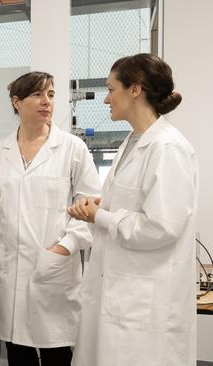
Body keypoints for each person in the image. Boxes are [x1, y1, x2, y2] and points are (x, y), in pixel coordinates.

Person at [0, 71, 101, 366]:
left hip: (53, 265)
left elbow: (90, 204)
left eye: (51, 95)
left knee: (56, 352)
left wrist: (65, 246)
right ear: (17, 102)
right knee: (18, 352)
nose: (47, 102)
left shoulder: (71, 148)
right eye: (38, 95)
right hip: (9, 267)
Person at [68, 53, 197, 366]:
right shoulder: (133, 141)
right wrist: (101, 206)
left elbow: (162, 227)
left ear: (135, 89)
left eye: (111, 89)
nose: (106, 99)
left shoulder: (167, 148)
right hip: (121, 291)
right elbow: (134, 202)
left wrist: (102, 216)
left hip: (144, 303)